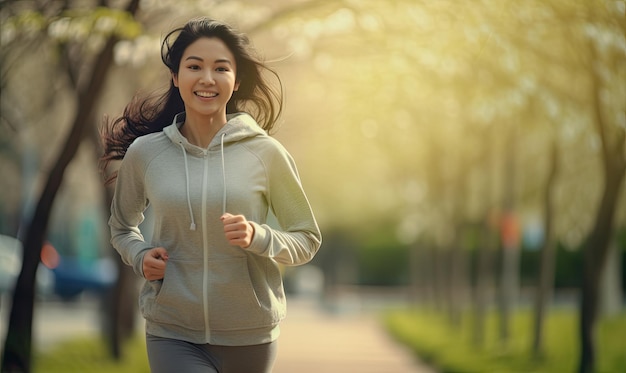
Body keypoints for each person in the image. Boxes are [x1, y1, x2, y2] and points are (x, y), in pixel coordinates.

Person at [100, 17, 322, 373]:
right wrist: (140, 255)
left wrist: (259, 237)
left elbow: (307, 238)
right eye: (194, 66)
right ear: (175, 77)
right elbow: (121, 227)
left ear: (235, 82)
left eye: (221, 68)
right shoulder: (146, 153)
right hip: (172, 331)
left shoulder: (265, 154)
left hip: (250, 335)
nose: (207, 78)